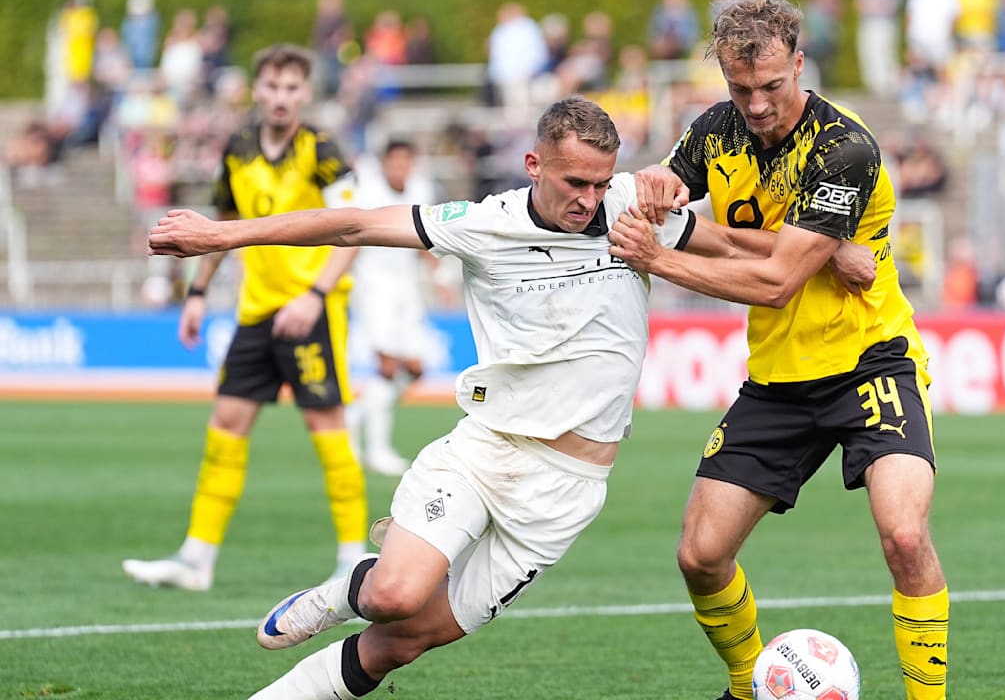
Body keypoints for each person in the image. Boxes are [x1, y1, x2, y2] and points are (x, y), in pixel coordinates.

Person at [148, 95, 880, 699]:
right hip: (485, 451)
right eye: (575, 185)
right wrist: (222, 235)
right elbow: (352, 223)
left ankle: (321, 641)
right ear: (534, 165)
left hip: (567, 490)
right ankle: (347, 591)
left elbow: (724, 244)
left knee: (401, 644)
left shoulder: (633, 206)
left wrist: (823, 248)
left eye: (602, 183)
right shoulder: (483, 225)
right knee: (394, 597)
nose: (591, 201)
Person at [611, 0, 949, 700]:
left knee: (906, 538)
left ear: (799, 63)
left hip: (869, 360)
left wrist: (659, 256)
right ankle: (747, 687)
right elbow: (680, 194)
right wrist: (659, 186)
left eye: (771, 86)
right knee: (700, 556)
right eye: (741, 88)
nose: (757, 104)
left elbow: (772, 282)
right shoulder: (714, 130)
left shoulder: (845, 148)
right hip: (780, 375)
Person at [123, 44, 368, 592]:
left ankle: (354, 558)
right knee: (225, 428)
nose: (281, 98)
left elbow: (354, 230)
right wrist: (197, 294)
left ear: (306, 94)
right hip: (256, 309)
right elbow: (224, 225)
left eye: (292, 89)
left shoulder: (322, 150)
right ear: (257, 89)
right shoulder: (236, 147)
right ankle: (197, 559)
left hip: (314, 309)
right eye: (273, 87)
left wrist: (313, 295)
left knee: (327, 429)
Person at [345, 139, 436, 476]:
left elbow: (427, 234)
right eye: (394, 161)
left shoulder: (420, 188)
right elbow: (350, 235)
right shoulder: (366, 190)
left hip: (407, 286)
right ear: (384, 162)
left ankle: (352, 419)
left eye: (406, 161)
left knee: (415, 367)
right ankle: (377, 449)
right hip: (373, 284)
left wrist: (436, 271)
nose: (400, 168)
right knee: (386, 365)